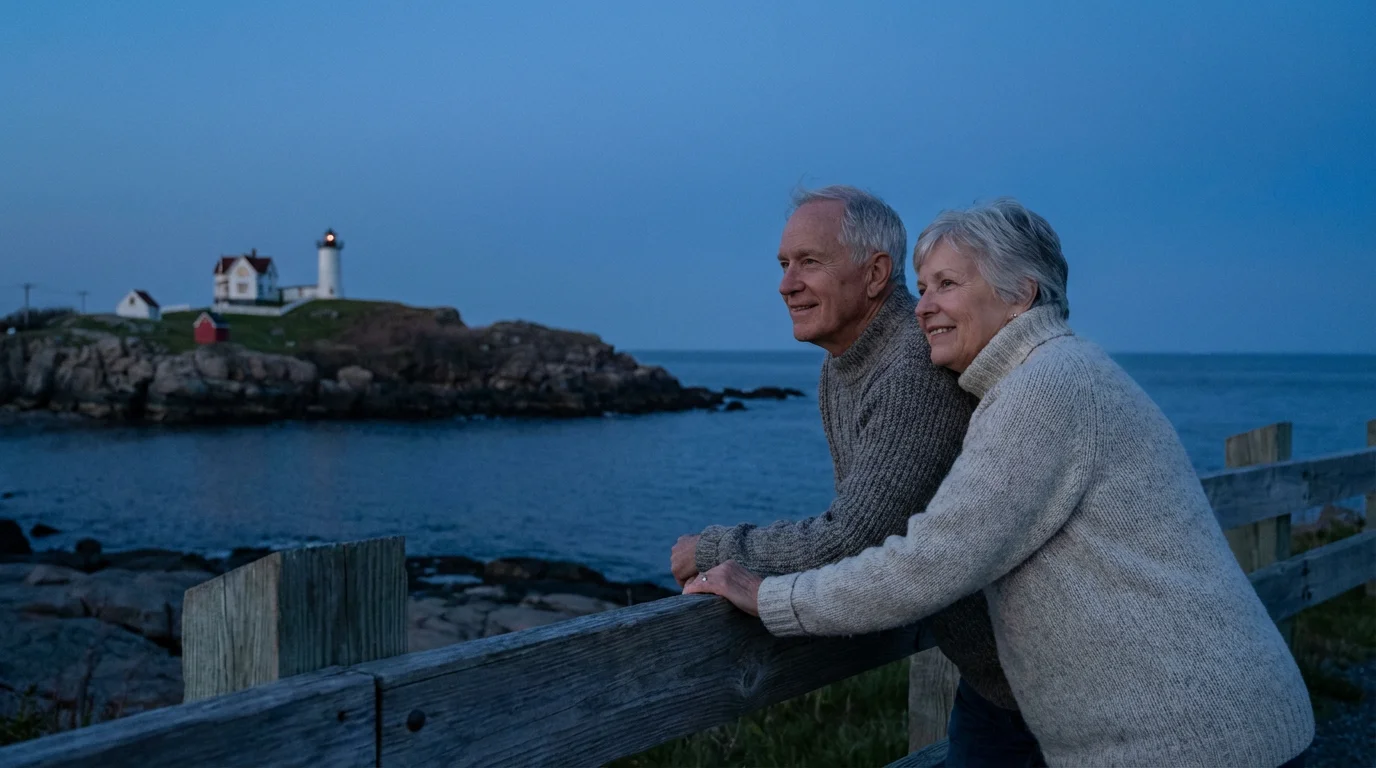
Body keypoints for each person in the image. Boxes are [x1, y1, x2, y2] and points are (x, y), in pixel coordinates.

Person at [686, 199, 1314, 768]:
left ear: (1020, 296)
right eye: (924, 284)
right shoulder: (1040, 378)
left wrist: (769, 596)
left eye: (947, 285)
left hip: (1195, 738)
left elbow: (928, 561)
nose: (923, 305)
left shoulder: (1047, 387)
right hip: (1158, 726)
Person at [670, 186, 1042, 765]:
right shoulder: (841, 367)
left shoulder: (912, 365)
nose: (786, 284)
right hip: (997, 683)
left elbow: (857, 537)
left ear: (874, 275)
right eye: (783, 264)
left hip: (1040, 689)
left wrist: (715, 549)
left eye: (809, 262)